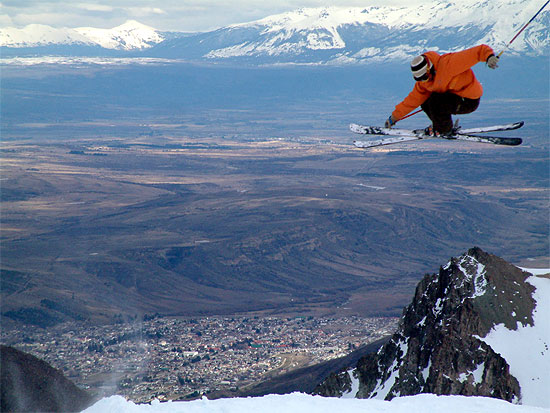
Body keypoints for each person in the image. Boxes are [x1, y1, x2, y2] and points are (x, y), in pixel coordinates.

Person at [385, 45, 500, 136]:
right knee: (425, 101)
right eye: (419, 79)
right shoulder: (424, 83)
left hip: (468, 100)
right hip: (451, 99)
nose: (423, 81)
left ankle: (444, 129)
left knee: (436, 101)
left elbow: (477, 51)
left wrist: (489, 57)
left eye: (424, 77)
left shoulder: (448, 64)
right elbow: (412, 100)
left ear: (429, 69)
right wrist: (394, 117)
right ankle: (441, 126)